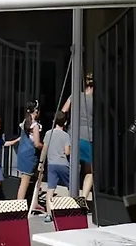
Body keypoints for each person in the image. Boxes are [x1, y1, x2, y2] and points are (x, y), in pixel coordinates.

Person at [62, 72, 94, 201]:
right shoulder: (95, 101)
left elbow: (63, 111)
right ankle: (83, 197)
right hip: (88, 137)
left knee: (73, 166)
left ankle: (71, 194)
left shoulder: (74, 96)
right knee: (89, 170)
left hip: (73, 135)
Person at [41, 111, 72, 221]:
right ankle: (72, 210)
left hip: (51, 164)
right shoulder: (66, 135)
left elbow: (44, 149)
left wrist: (41, 163)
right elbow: (67, 152)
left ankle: (49, 214)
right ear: (65, 123)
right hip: (63, 164)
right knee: (71, 187)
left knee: (50, 189)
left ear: (54, 121)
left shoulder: (48, 133)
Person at [15, 100, 43, 202]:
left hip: (22, 153)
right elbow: (37, 143)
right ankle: (19, 204)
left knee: (25, 179)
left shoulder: (25, 122)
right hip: (30, 155)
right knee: (25, 182)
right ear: (36, 111)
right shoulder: (35, 126)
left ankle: (34, 202)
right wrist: (44, 146)